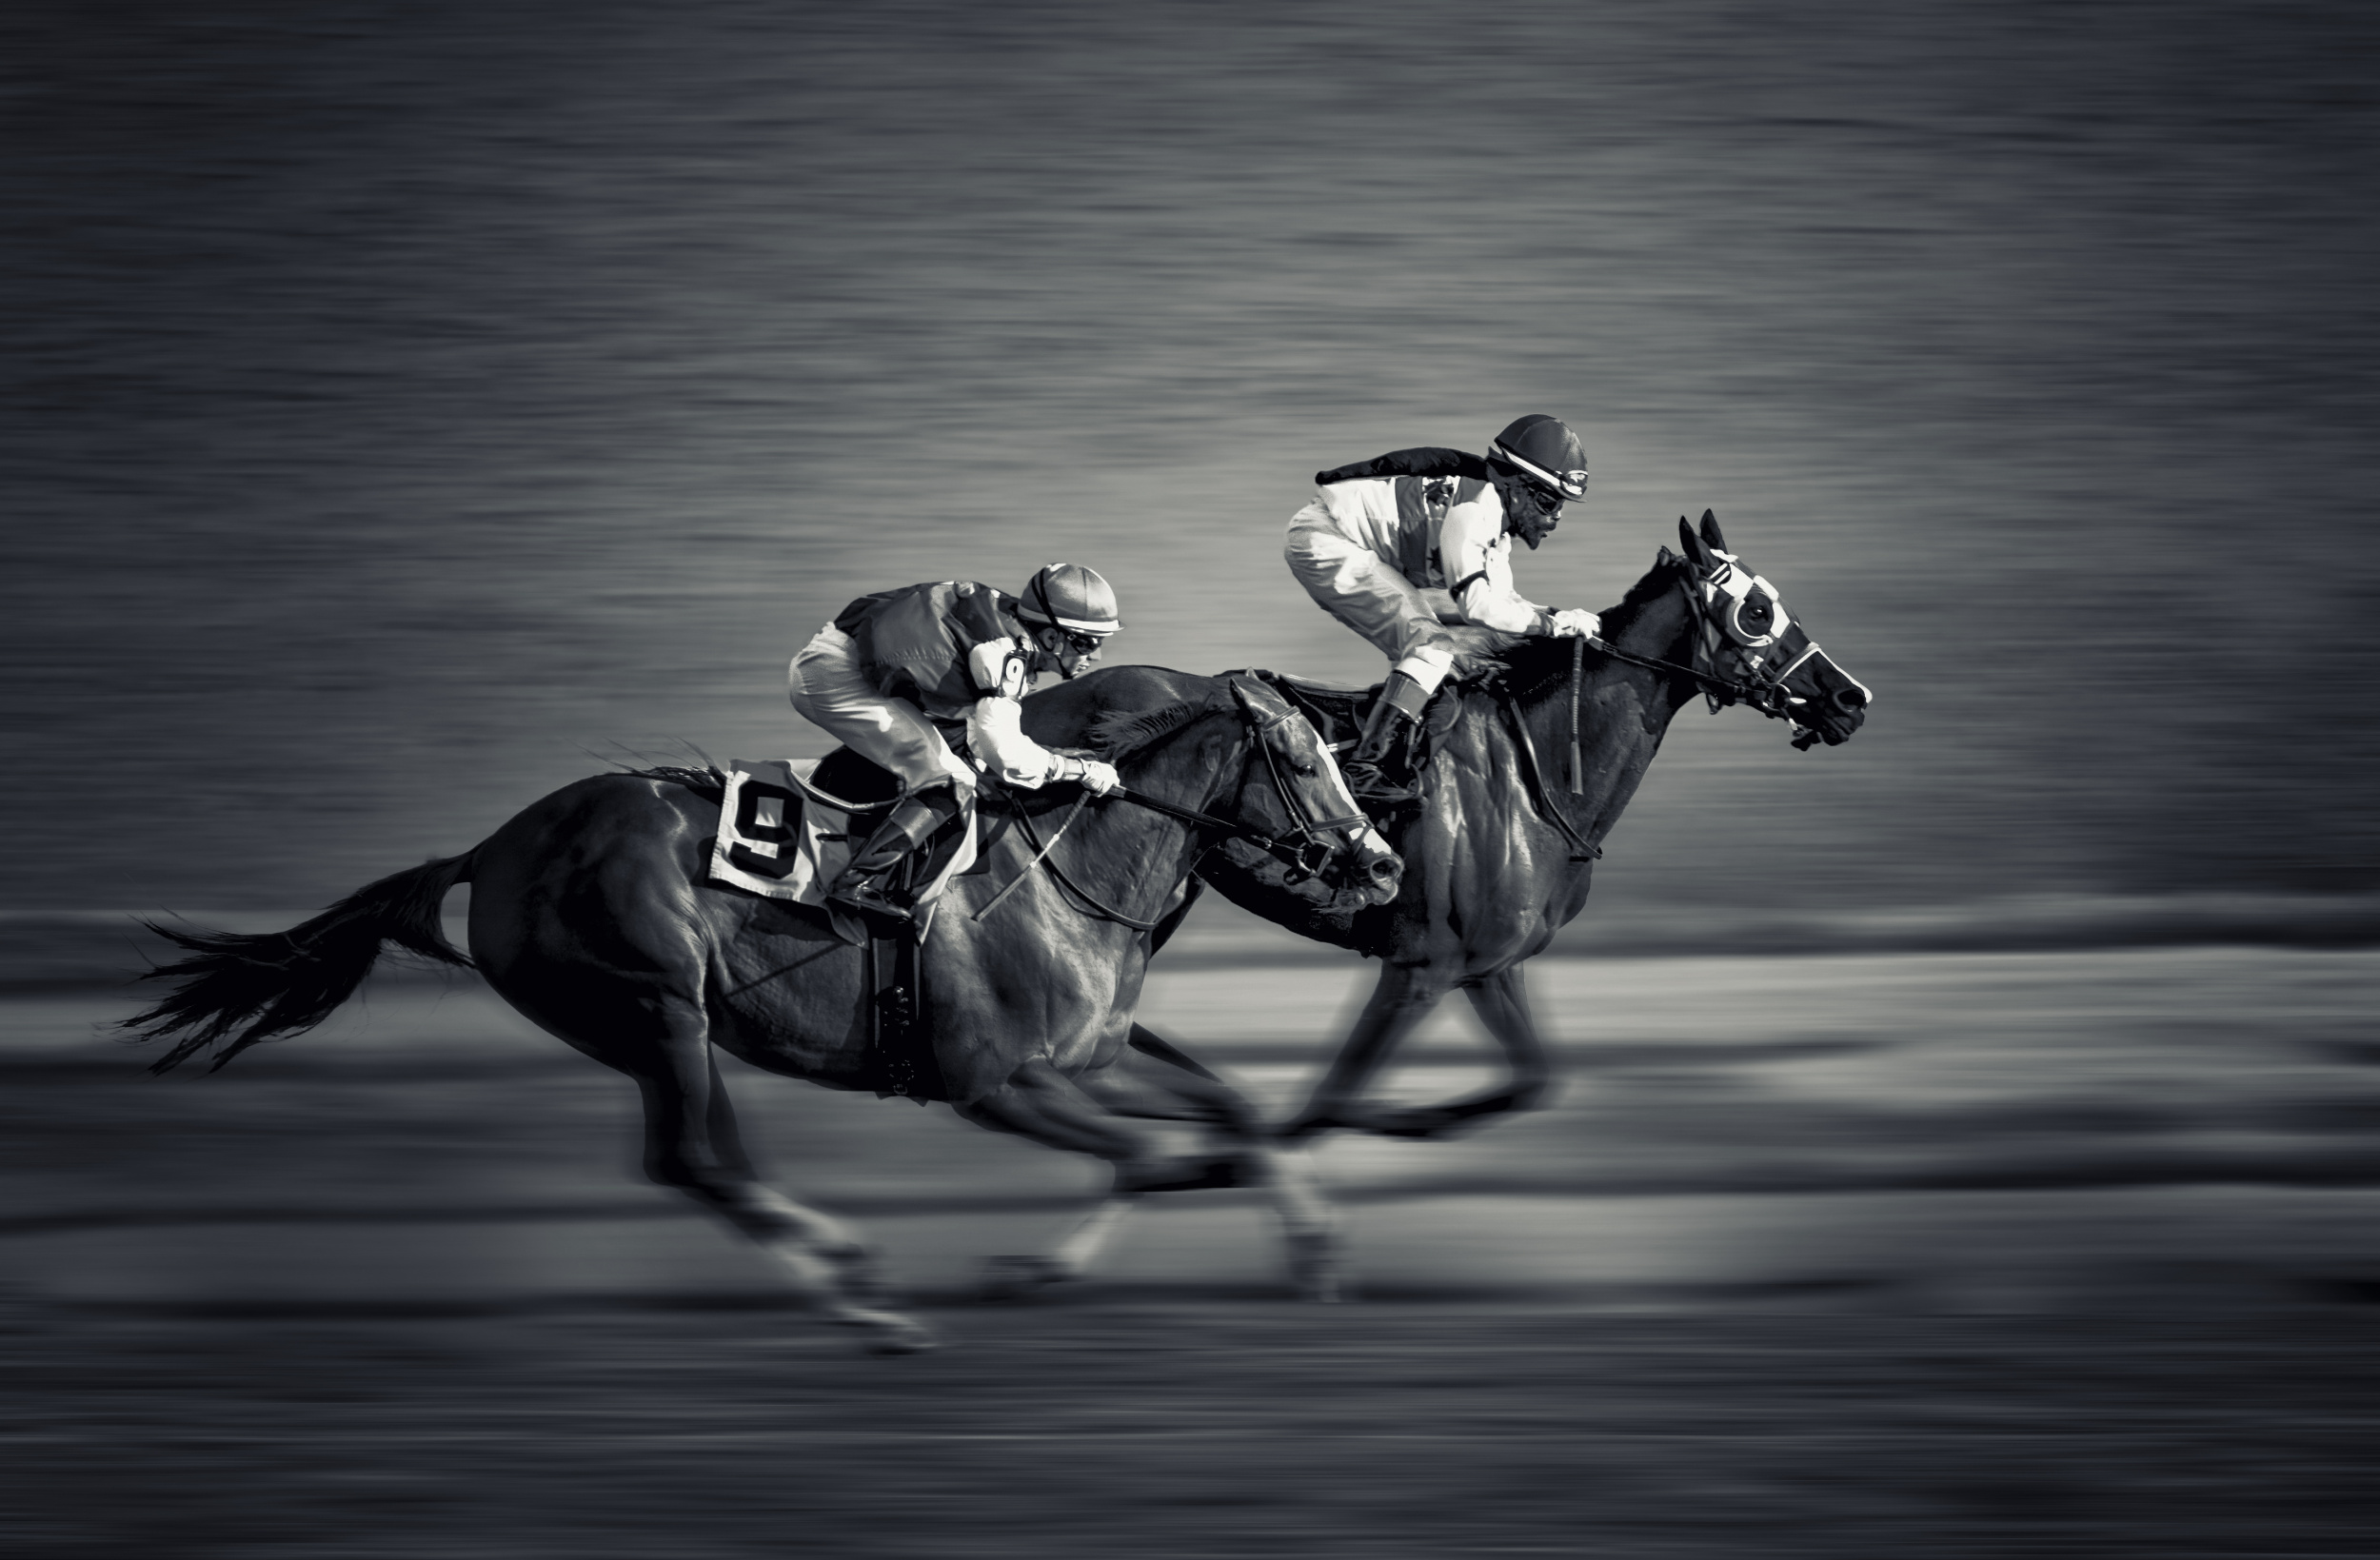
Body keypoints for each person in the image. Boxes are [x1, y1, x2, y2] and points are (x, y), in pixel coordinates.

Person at [1283, 413, 1603, 805]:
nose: (1555, 517)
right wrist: (1553, 625)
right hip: (1326, 540)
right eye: (1548, 501)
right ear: (1515, 487)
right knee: (1432, 647)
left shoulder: (1496, 527)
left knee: (1468, 643)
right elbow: (1478, 605)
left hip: (1356, 546)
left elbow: (1504, 606)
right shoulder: (1474, 508)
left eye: (1560, 506)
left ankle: (1399, 730)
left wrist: (1558, 616)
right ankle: (1365, 767)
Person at [789, 563, 1125, 924]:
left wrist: (1052, 759)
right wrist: (1077, 770)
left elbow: (981, 741)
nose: (1095, 656)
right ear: (1050, 638)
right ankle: (854, 883)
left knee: (955, 759)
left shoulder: (1010, 627)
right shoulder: (1005, 652)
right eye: (1086, 643)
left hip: (845, 658)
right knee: (951, 781)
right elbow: (1006, 757)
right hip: (834, 677)